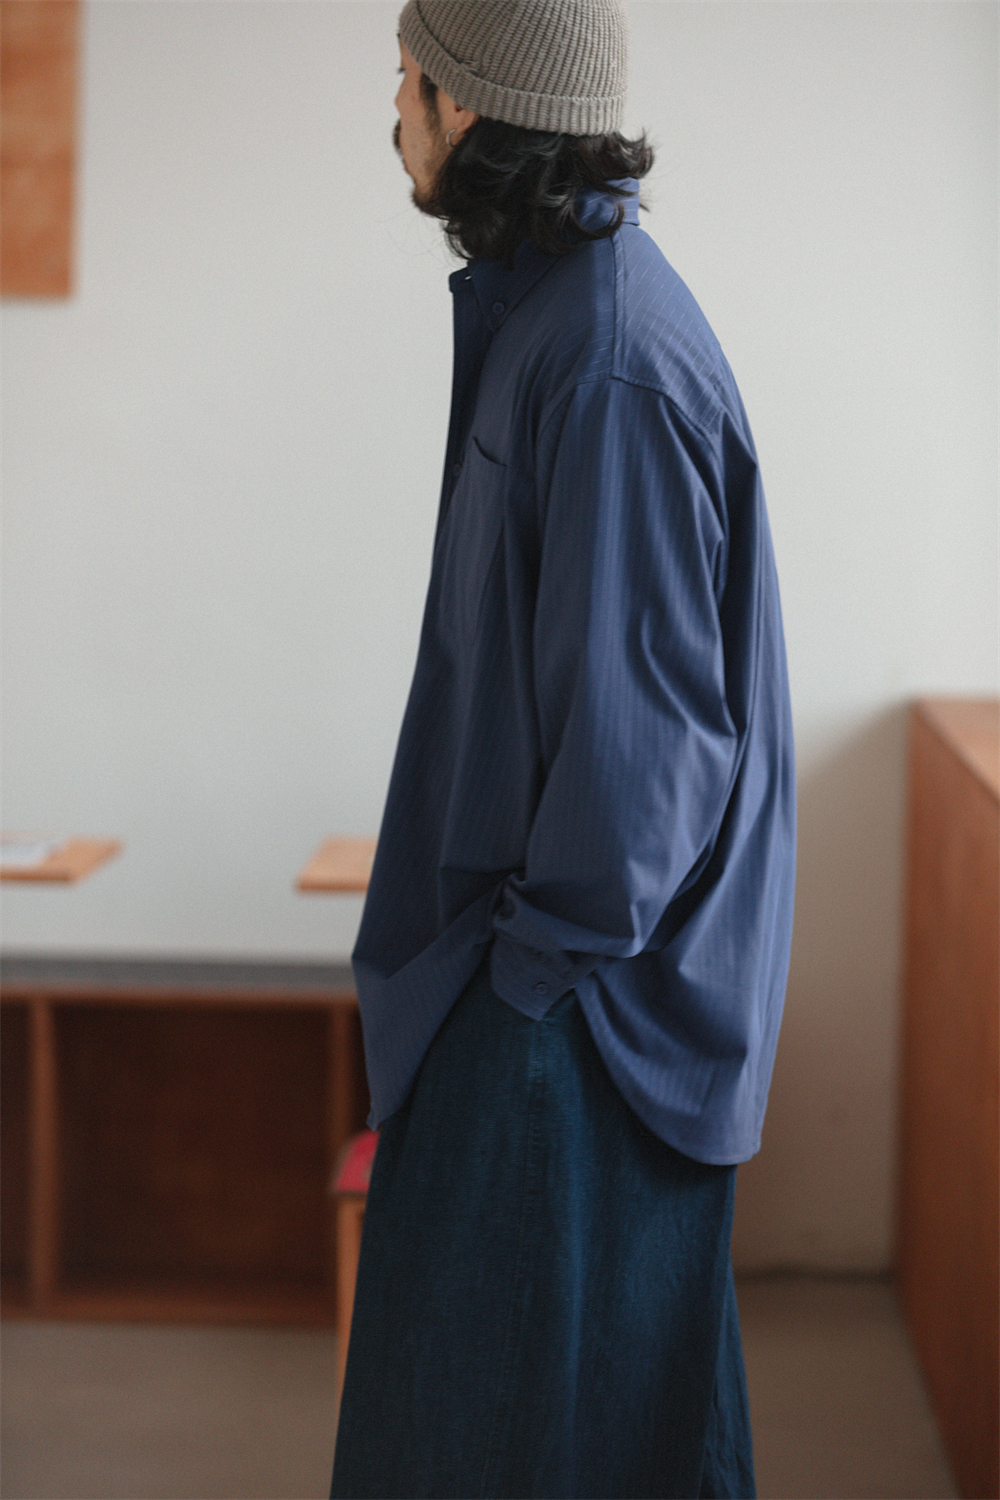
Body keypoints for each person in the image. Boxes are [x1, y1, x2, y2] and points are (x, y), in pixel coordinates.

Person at [331, 2, 795, 1496]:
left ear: (466, 107)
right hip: (552, 1001)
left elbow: (643, 769)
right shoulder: (557, 315)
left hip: (571, 1023)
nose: (393, 107)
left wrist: (514, 996)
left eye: (407, 76)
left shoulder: (605, 357)